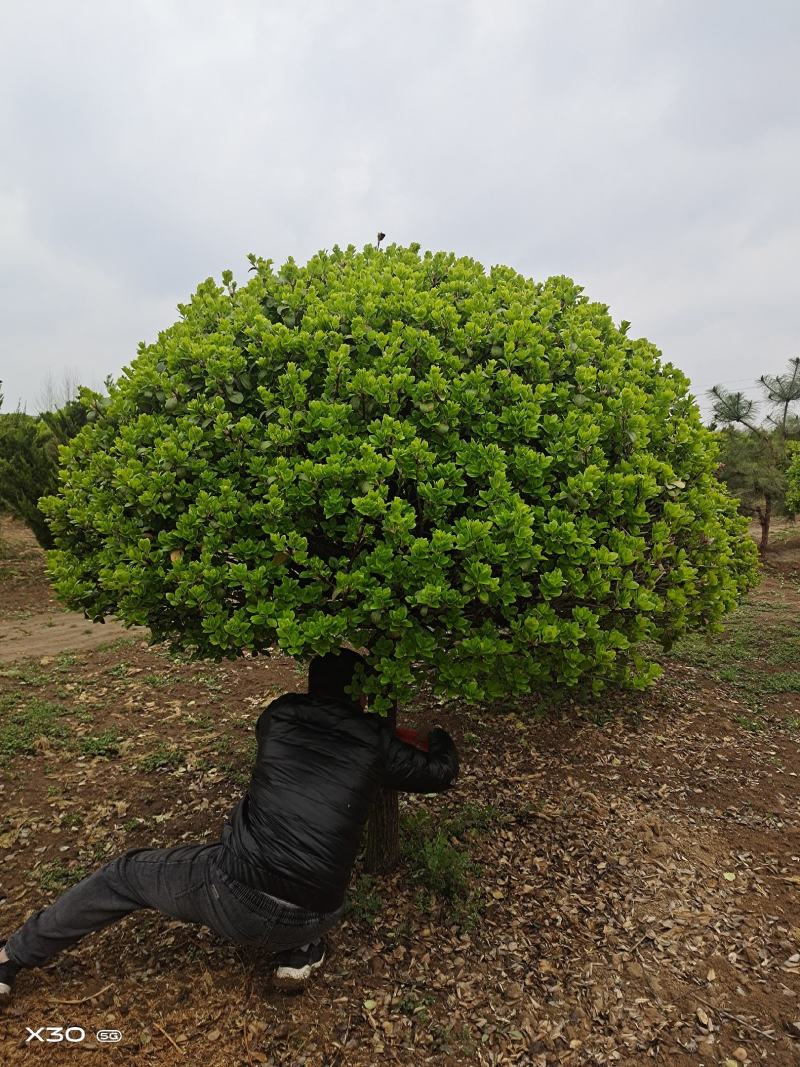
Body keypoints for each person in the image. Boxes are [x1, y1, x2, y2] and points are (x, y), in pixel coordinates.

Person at [0, 649, 459, 999]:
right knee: (316, 851)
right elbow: (440, 773)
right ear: (362, 695)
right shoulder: (376, 744)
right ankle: (301, 949)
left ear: (309, 684)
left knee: (125, 875)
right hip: (318, 911)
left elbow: (310, 734)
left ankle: (11, 957)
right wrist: (431, 737)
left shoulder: (278, 715)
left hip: (233, 896)